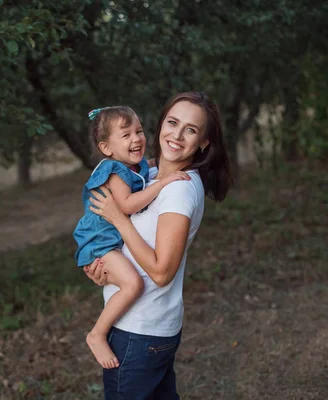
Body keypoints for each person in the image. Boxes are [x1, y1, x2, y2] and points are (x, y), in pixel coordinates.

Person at [83, 91, 232, 399]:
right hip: (147, 327)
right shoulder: (148, 174)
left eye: (190, 129)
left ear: (203, 142)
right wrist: (104, 273)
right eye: (172, 122)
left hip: (138, 331)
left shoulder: (179, 189)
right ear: (161, 123)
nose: (176, 135)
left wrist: (120, 219)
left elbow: (162, 272)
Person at [73, 106, 191, 369]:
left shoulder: (130, 166)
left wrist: (157, 166)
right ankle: (97, 334)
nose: (136, 138)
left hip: (104, 244)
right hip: (99, 244)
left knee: (124, 282)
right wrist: (162, 183)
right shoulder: (114, 172)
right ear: (106, 148)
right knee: (132, 285)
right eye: (126, 135)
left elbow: (143, 170)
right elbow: (127, 205)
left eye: (138, 131)